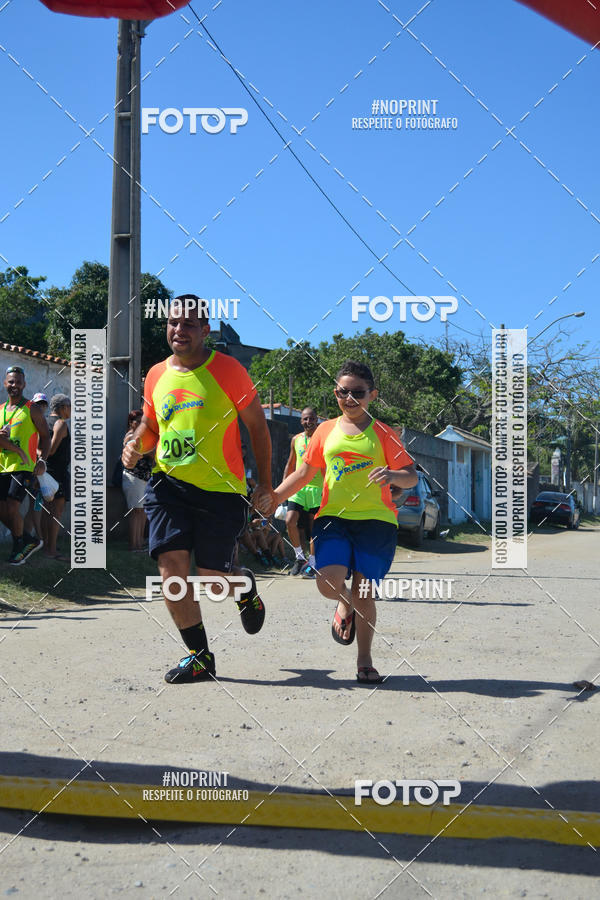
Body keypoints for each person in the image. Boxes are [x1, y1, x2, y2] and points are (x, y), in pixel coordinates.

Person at [122, 294, 273, 684]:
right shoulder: (156, 374)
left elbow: (257, 427)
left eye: (189, 324)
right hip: (168, 485)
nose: (179, 330)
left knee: (212, 580)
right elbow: (152, 425)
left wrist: (266, 484)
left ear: (206, 330)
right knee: (170, 568)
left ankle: (243, 586)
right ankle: (200, 656)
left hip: (221, 492)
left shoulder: (229, 370)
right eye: (173, 323)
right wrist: (136, 444)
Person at [271, 361, 417, 683]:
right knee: (326, 582)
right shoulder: (325, 431)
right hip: (333, 518)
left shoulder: (384, 433)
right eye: (342, 391)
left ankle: (364, 659)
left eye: (357, 393)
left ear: (372, 395)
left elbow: (411, 476)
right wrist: (275, 497)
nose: (349, 398)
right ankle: (344, 602)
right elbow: (303, 473)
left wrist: (392, 475)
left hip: (376, 522)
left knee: (365, 592)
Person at [0, 366, 50, 565]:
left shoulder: (32, 408)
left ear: (24, 385)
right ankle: (28, 540)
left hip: (24, 466)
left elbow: (46, 437)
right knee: (3, 511)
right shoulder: (1, 409)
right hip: (3, 466)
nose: (14, 385)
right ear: (5, 383)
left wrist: (42, 460)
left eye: (18, 382)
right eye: (11, 382)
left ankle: (18, 547)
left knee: (13, 507)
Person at [283, 407, 323, 577]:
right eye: (305, 419)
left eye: (312, 418)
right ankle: (299, 558)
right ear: (301, 421)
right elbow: (290, 464)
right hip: (298, 488)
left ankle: (312, 563)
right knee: (290, 520)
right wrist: (284, 488)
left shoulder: (323, 439)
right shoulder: (296, 439)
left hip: (317, 489)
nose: (309, 422)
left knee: (315, 529)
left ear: (317, 420)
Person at [41, 394, 71, 561]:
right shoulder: (60, 423)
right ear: (63, 407)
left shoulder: (43, 422)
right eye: (70, 406)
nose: (71, 410)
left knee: (46, 511)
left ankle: (46, 546)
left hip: (45, 472)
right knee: (56, 513)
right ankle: (51, 550)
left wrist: (37, 456)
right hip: (57, 473)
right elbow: (51, 450)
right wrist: (41, 455)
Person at [122, 409, 153, 552]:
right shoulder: (130, 436)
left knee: (141, 512)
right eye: (138, 421)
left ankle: (139, 543)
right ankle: (134, 545)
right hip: (134, 478)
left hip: (143, 477)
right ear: (131, 423)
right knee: (135, 512)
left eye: (143, 421)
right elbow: (148, 452)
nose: (141, 424)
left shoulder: (140, 436)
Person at [23, 392, 49, 543]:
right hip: (32, 470)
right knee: (36, 505)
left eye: (43, 404)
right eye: (38, 404)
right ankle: (39, 538)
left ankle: (28, 536)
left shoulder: (42, 423)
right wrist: (41, 456)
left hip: (38, 470)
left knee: (35, 505)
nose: (41, 407)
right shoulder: (30, 424)